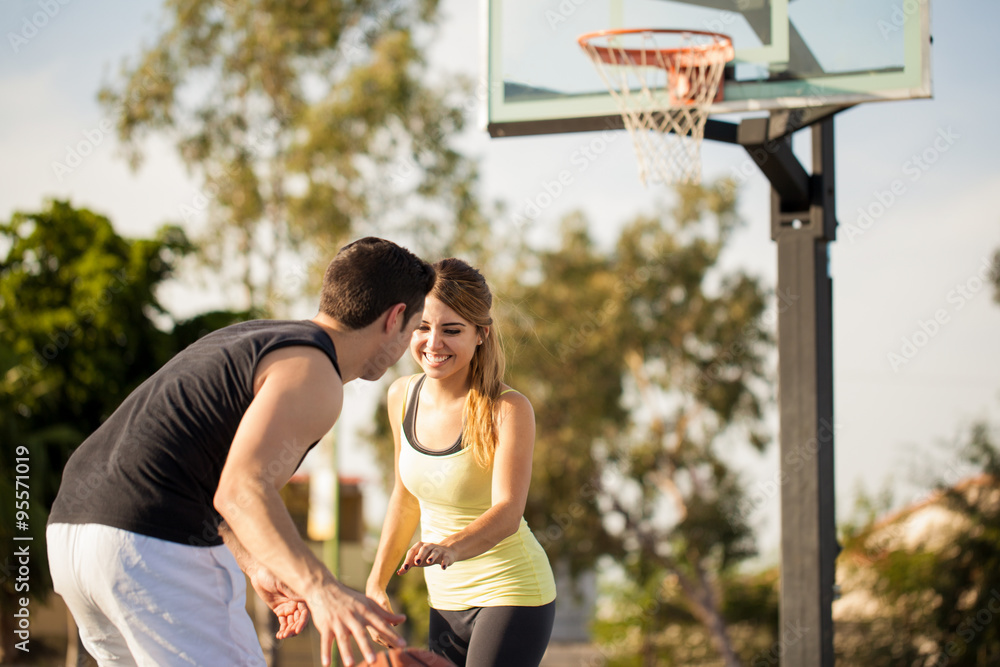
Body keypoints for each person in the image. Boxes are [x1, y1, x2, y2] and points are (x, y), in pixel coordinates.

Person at [46, 237, 435, 667]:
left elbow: (205, 474)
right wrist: (319, 587)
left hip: (72, 536)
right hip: (150, 543)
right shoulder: (315, 373)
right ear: (395, 317)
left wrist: (256, 563)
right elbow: (240, 489)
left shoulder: (255, 338)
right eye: (416, 327)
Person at [366, 258, 557, 667]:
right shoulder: (401, 395)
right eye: (422, 327)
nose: (433, 343)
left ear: (481, 335)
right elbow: (405, 497)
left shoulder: (507, 409)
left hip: (511, 591)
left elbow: (507, 512)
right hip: (446, 599)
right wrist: (375, 582)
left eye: (452, 330)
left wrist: (448, 548)